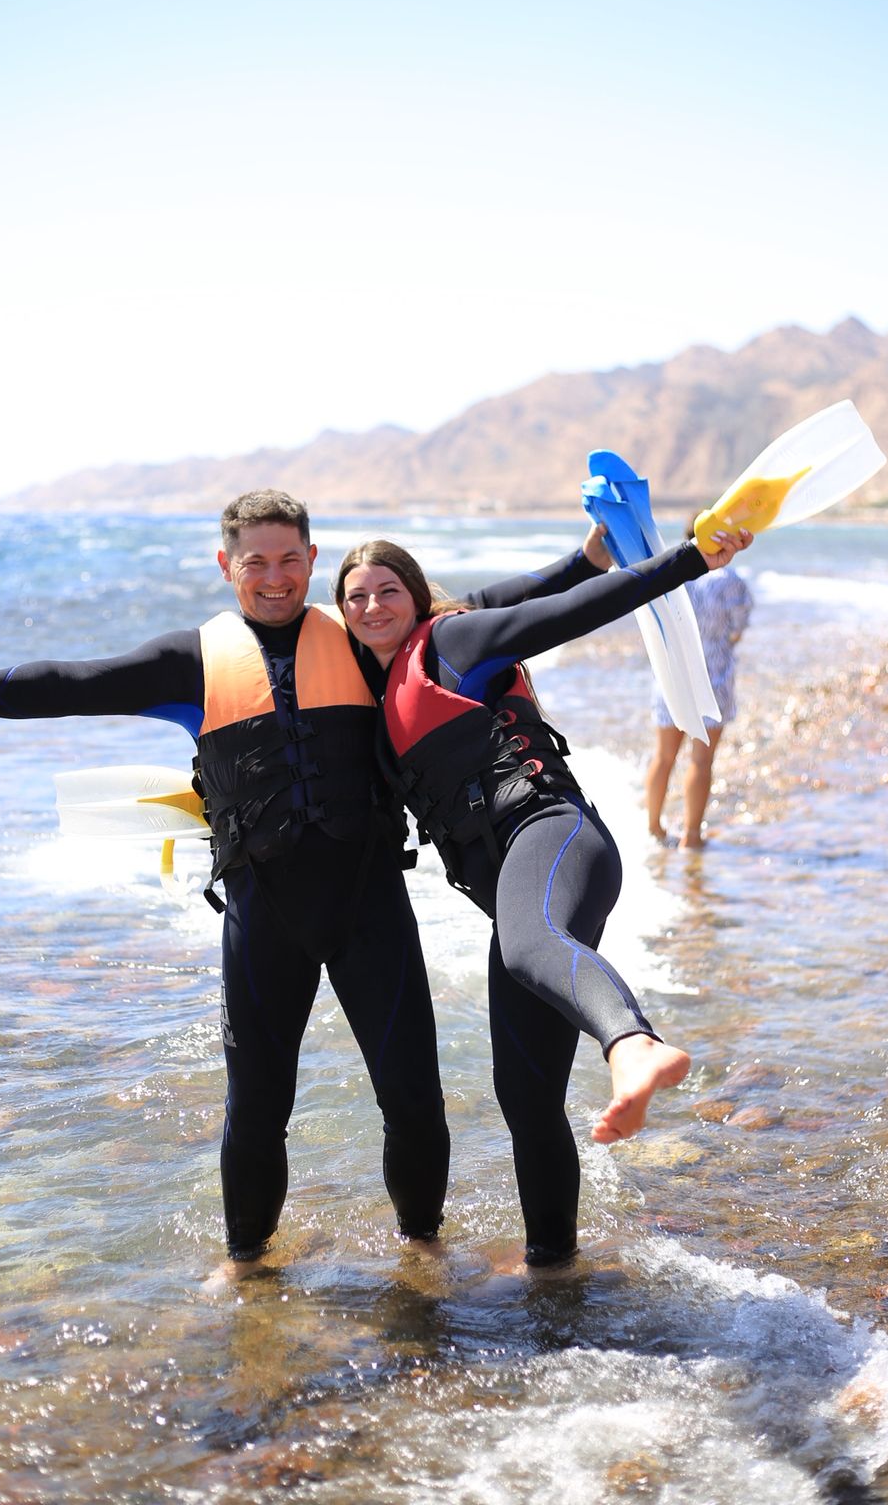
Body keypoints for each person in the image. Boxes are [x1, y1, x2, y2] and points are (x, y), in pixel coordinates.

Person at [0, 490, 457, 1281]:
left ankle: (423, 1249)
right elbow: (72, 682)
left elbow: (491, 622)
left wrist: (595, 561)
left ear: (312, 562)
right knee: (257, 1110)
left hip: (370, 903)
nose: (275, 577)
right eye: (255, 561)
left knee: (413, 1096)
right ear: (226, 566)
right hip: (266, 916)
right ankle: (248, 1266)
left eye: (291, 559)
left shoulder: (364, 641)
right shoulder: (192, 661)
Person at [335, 524, 752, 1268]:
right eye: (355, 597)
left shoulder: (452, 644)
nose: (371, 606)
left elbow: (567, 613)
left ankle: (633, 1044)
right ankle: (553, 1271)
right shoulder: (386, 679)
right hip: (520, 885)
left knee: (529, 945)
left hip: (555, 835)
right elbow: (538, 585)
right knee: (525, 1097)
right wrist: (588, 552)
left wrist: (690, 560)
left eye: (387, 590)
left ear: (415, 593)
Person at [645, 513, 754, 848]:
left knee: (663, 757)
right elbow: (737, 629)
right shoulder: (731, 581)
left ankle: (655, 829)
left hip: (672, 675)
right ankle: (691, 836)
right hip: (715, 676)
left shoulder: (672, 578)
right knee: (701, 760)